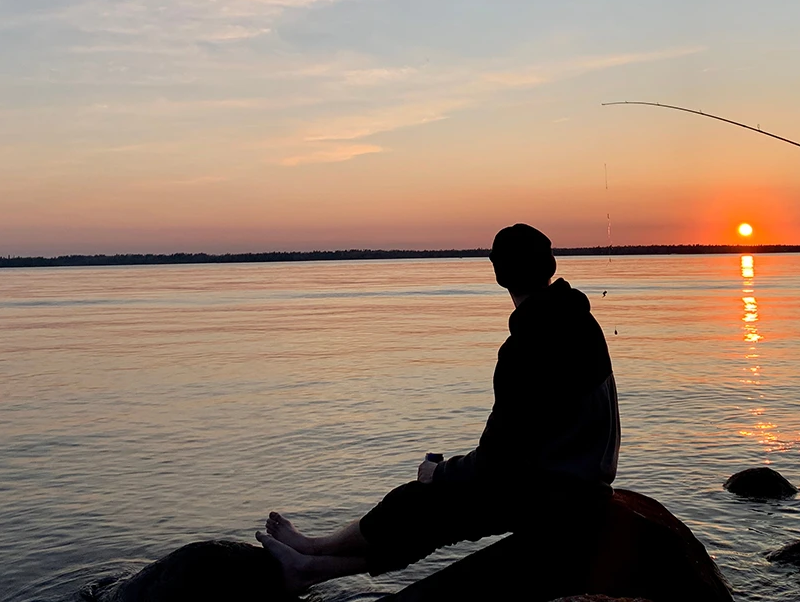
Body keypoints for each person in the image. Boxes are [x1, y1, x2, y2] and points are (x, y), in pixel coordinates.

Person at [256, 223, 621, 592]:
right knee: (431, 521)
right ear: (550, 266)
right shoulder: (582, 321)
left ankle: (313, 549)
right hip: (585, 483)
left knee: (416, 502)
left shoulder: (527, 345)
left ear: (498, 272)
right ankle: (311, 569)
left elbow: (499, 458)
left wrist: (441, 473)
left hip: (555, 493)